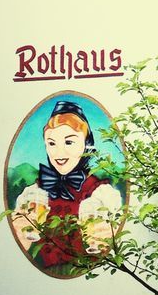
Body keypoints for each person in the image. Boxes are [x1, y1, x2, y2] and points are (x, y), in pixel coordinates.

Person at [11, 99, 123, 271]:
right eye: (51, 143)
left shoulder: (102, 194)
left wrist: (110, 235)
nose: (59, 153)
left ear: (87, 144)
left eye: (69, 142)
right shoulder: (33, 193)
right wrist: (20, 235)